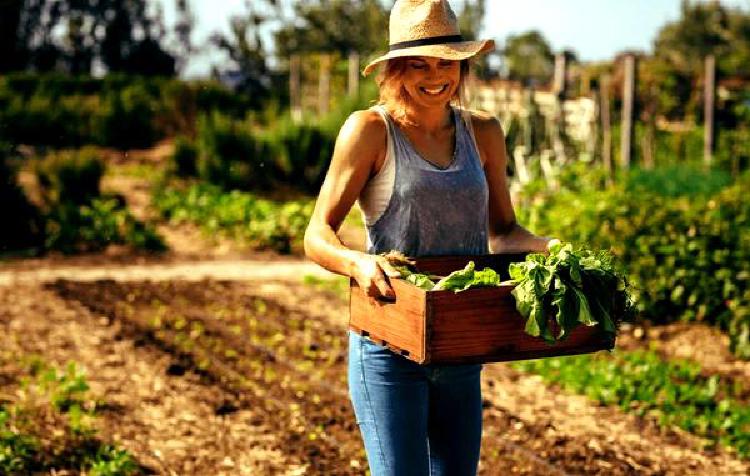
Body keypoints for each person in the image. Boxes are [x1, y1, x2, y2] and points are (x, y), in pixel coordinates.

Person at [304, 0, 550, 474]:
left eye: (447, 63)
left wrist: (554, 251)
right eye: (420, 64)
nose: (436, 76)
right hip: (389, 345)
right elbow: (317, 233)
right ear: (395, 68)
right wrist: (358, 263)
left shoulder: (484, 132)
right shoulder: (370, 131)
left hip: (460, 341)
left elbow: (504, 232)